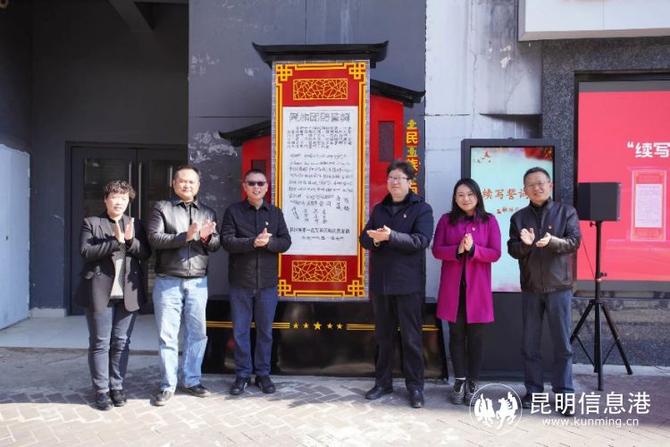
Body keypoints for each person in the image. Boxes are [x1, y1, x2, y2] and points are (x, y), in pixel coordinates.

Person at [360, 160, 434, 409]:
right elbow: (364, 238)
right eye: (391, 178)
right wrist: (375, 239)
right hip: (382, 284)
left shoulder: (421, 209)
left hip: (409, 285)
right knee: (383, 337)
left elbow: (421, 241)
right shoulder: (380, 209)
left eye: (399, 178)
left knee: (411, 338)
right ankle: (383, 383)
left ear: (410, 182)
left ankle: (415, 387)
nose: (394, 182)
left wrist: (390, 236)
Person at [508, 167, 581, 416]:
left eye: (541, 183)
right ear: (525, 190)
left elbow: (574, 242)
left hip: (559, 287)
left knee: (562, 345)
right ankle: (534, 391)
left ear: (550, 185)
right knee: (530, 344)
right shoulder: (518, 218)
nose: (536, 188)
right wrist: (525, 245)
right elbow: (512, 250)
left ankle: (564, 394)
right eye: (531, 184)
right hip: (531, 288)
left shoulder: (566, 212)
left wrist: (552, 242)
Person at [147, 164, 220, 406]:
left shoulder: (207, 212)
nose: (187, 185)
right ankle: (167, 385)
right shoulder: (162, 208)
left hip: (198, 281)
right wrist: (185, 237)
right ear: (174, 183)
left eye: (192, 182)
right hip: (168, 280)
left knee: (197, 333)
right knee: (168, 335)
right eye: (183, 181)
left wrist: (207, 238)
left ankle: (192, 380)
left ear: (198, 185)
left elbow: (215, 245)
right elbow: (154, 238)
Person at [78, 180, 151, 411]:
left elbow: (145, 253)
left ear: (128, 201)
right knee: (100, 343)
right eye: (114, 197)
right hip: (99, 291)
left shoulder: (135, 224)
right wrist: (114, 242)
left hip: (127, 292)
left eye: (123, 198)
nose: (119, 201)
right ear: (105, 200)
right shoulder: (92, 223)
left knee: (121, 342)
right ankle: (101, 390)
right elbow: (85, 251)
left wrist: (129, 241)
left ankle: (116, 386)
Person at [221, 169, 291, 395]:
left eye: (260, 183)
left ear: (266, 187)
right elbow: (227, 241)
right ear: (244, 186)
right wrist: (253, 242)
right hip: (241, 282)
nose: (256, 187)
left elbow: (286, 242)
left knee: (265, 332)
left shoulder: (275, 213)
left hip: (267, 284)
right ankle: (242, 374)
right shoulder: (233, 211)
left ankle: (263, 374)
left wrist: (268, 243)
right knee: (240, 331)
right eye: (251, 183)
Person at [432, 178, 501, 405]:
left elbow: (495, 253)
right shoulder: (446, 220)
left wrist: (474, 250)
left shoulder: (489, 221)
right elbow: (436, 250)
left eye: (470, 194)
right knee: (456, 336)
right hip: (452, 290)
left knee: (476, 338)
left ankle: (473, 381)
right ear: (455, 198)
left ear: (478, 196)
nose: (465, 199)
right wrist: (457, 249)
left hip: (478, 291)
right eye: (460, 195)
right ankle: (459, 380)